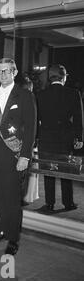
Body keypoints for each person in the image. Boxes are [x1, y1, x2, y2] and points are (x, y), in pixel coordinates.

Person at [0, 58, 36, 256]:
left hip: (13, 150)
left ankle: (13, 238)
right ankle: (1, 230)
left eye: (6, 71)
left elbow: (30, 129)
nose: (2, 75)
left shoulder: (25, 95)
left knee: (12, 196)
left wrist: (25, 156)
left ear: (14, 72)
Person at [37, 64, 83, 212]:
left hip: (46, 137)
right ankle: (68, 203)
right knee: (66, 170)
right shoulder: (73, 93)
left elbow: (36, 119)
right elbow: (78, 118)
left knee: (48, 170)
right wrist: (79, 138)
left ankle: (49, 204)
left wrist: (36, 138)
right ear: (63, 77)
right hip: (65, 137)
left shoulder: (40, 94)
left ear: (50, 78)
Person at [20, 79, 39, 206]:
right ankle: (22, 196)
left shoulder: (15, 97)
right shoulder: (30, 97)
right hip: (26, 138)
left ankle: (20, 195)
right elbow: (33, 122)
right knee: (25, 170)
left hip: (15, 137)